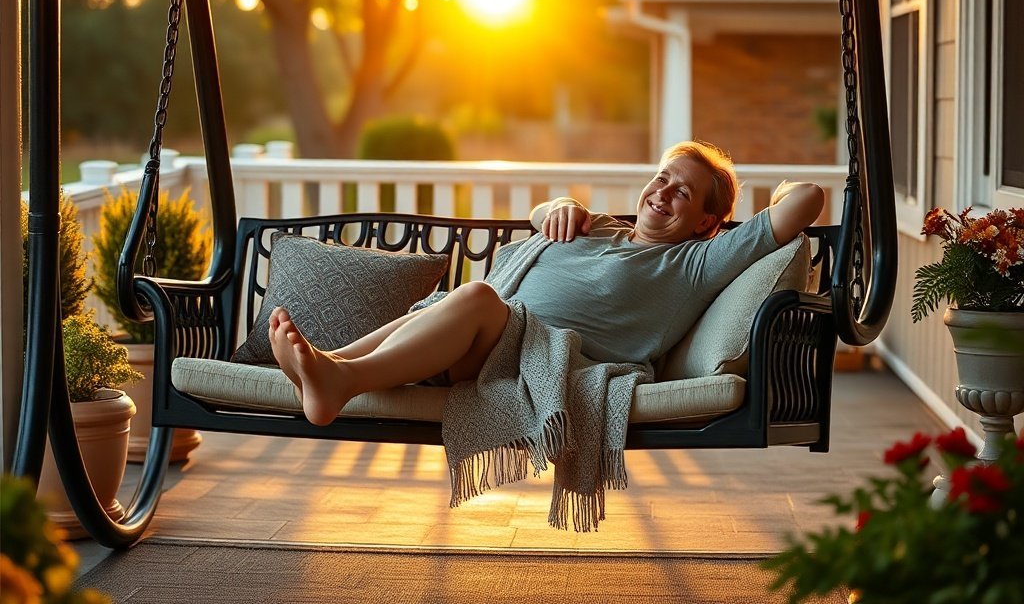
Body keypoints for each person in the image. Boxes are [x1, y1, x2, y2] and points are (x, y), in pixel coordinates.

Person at [269, 141, 825, 426]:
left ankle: (343, 380)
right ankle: (330, 363)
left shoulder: (696, 262)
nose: (662, 192)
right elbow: (540, 216)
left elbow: (808, 200)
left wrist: (765, 207)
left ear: (707, 221)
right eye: (661, 177)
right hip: (477, 338)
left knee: (480, 297)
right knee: (454, 304)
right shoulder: (605, 226)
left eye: (683, 192)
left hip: (536, 358)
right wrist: (558, 205)